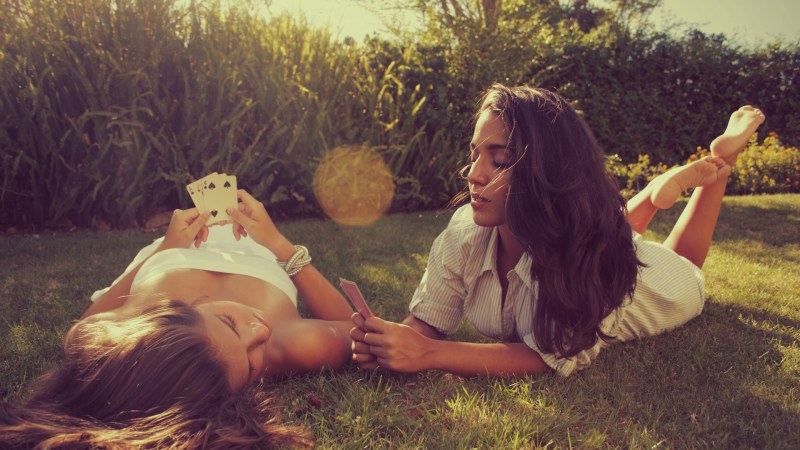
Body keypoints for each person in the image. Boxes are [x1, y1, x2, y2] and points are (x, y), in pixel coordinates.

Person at [350, 84, 765, 377]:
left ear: (546, 168)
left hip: (657, 286)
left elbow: (549, 357)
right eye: (476, 154)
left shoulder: (586, 255)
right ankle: (652, 195)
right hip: (592, 238)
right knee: (605, 229)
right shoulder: (463, 233)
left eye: (499, 159)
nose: (473, 175)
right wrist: (396, 340)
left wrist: (428, 353)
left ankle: (720, 163)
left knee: (687, 265)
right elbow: (428, 321)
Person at [0, 190, 355, 448]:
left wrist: (165, 248)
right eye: (248, 366)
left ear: (179, 309)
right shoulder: (286, 344)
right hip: (260, 253)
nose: (260, 328)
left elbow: (82, 328)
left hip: (174, 252)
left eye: (230, 323)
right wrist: (278, 244)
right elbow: (361, 329)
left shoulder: (140, 322)